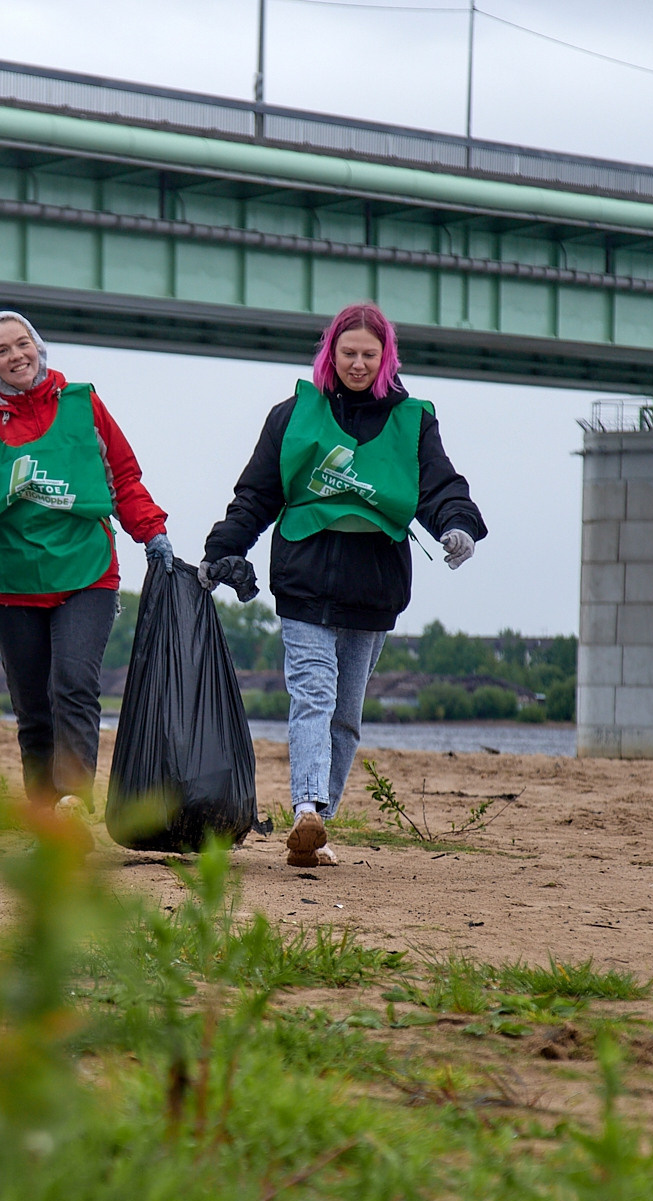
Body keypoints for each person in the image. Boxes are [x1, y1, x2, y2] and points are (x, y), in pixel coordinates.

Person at [200, 302, 486, 868]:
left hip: (373, 587)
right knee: (313, 697)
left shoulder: (415, 420)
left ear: (386, 359)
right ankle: (306, 807)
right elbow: (257, 493)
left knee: (345, 717)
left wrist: (458, 525)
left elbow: (439, 486)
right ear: (330, 354)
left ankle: (317, 830)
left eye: (368, 355)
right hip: (304, 580)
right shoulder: (292, 415)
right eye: (347, 353)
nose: (357, 363)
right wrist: (223, 549)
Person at [0, 310, 172, 809]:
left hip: (86, 572)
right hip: (12, 582)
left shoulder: (82, 404)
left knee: (73, 685)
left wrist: (151, 532)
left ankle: (74, 806)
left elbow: (123, 474)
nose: (15, 356)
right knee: (33, 711)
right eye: (1, 351)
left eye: (22, 343)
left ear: (39, 346)